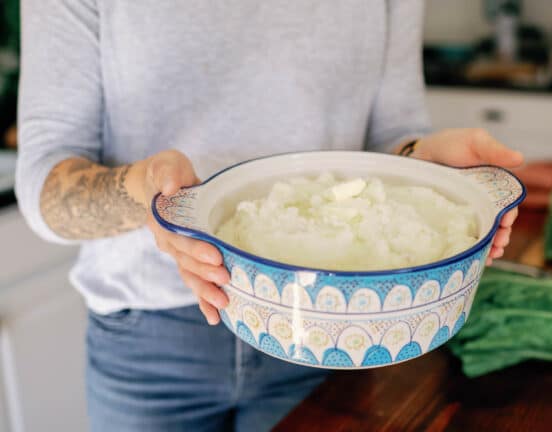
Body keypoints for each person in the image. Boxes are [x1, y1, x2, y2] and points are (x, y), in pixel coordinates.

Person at [15, 1, 523, 431]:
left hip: (336, 330)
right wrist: (146, 190)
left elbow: (390, 141)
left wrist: (425, 163)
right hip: (149, 346)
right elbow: (43, 187)